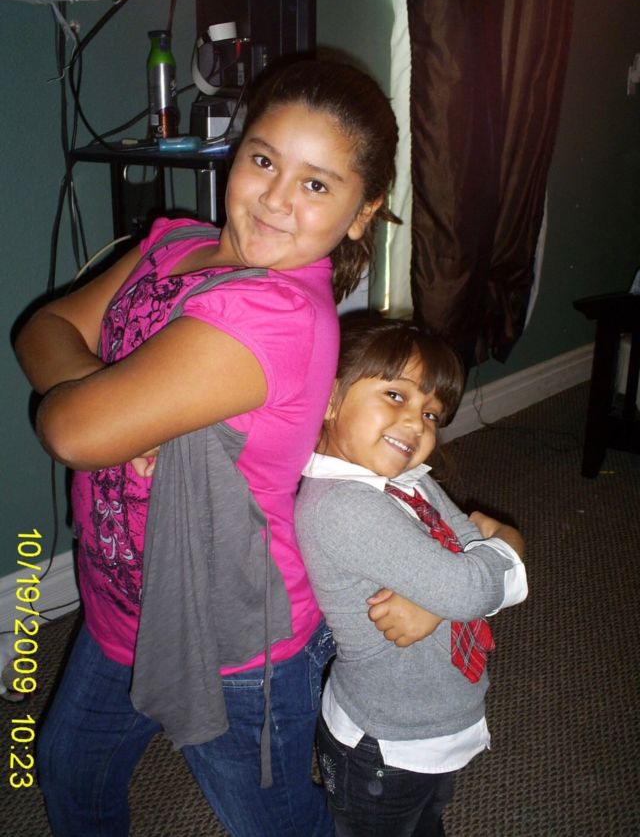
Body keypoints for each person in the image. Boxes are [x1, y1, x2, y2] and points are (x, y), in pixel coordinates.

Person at [14, 60, 401, 837]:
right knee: (69, 770)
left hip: (230, 642)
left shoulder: (277, 314)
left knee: (277, 824)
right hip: (121, 603)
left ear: (362, 213)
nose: (277, 198)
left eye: (316, 184)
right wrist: (120, 404)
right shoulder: (174, 242)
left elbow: (70, 430)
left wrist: (108, 411)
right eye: (263, 159)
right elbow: (41, 330)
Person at [295, 317, 529, 837]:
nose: (417, 424)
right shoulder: (343, 507)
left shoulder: (408, 480)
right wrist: (510, 544)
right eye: (395, 395)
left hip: (431, 718)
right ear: (329, 398)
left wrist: (439, 600)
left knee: (427, 822)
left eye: (431, 413)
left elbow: (467, 558)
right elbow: (470, 582)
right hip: (386, 742)